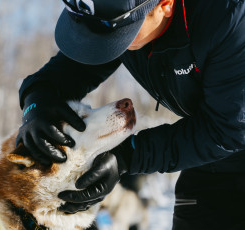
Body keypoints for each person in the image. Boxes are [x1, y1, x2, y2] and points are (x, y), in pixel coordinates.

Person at [16, 0, 245, 229]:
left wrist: (129, 155)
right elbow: (66, 72)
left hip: (227, 134)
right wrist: (37, 101)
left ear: (165, 4)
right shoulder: (125, 17)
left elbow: (227, 128)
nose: (104, 44)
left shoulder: (228, 19)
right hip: (212, 159)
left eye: (119, 33)